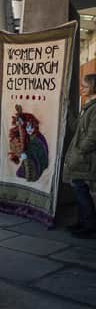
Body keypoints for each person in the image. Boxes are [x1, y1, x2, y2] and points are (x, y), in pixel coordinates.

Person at [63, 73, 96, 238]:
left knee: (81, 190)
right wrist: (69, 109)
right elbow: (76, 127)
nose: (82, 89)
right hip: (81, 156)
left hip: (85, 158)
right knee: (79, 189)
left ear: (93, 87)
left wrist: (80, 151)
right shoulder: (88, 106)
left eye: (85, 86)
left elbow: (93, 136)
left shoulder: (94, 108)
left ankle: (89, 226)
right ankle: (83, 222)